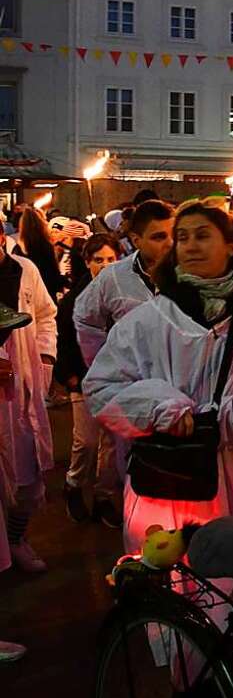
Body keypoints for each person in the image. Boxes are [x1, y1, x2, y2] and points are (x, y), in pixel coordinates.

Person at [83, 201, 233, 562]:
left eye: (202, 235)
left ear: (232, 246)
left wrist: (212, 425)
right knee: (170, 583)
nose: (190, 245)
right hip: (163, 478)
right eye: (182, 238)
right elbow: (102, 388)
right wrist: (162, 409)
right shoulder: (146, 320)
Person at [55, 234, 123, 527]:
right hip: (83, 380)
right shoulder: (74, 301)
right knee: (86, 441)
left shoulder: (126, 296)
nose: (106, 266)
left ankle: (104, 496)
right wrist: (70, 377)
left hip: (118, 382)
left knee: (111, 444)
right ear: (87, 262)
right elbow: (64, 341)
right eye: (99, 260)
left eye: (111, 259)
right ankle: (73, 484)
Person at [0, 230, 57, 573]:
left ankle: (16, 539)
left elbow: (46, 314)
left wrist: (46, 358)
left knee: (26, 474)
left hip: (22, 387)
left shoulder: (25, 270)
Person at [73, 199, 174, 368]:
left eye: (175, 235)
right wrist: (104, 365)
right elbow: (86, 319)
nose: (170, 243)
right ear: (136, 241)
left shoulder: (192, 274)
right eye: (159, 237)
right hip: (132, 380)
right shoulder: (113, 276)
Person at [15, 207, 64, 302]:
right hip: (46, 294)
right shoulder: (46, 247)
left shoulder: (18, 249)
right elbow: (53, 274)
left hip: (27, 295)